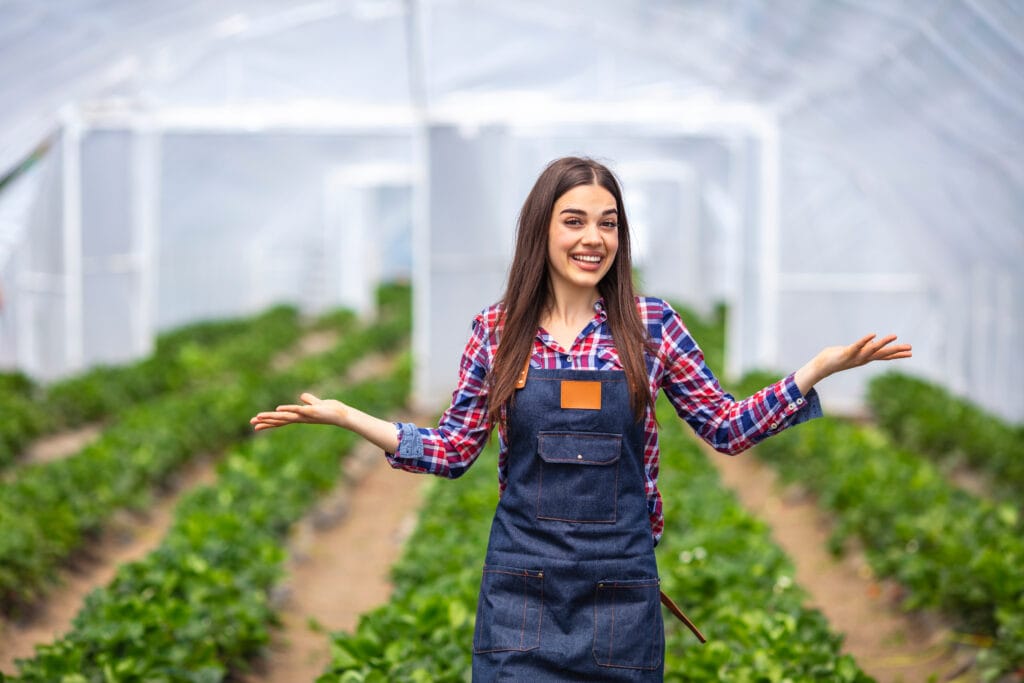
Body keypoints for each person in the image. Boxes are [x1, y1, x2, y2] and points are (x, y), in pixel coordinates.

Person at [250, 156, 911, 681]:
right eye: (575, 220)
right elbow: (452, 450)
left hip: (618, 592)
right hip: (521, 594)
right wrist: (347, 417)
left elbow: (726, 427)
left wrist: (812, 372)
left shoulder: (652, 326)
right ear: (542, 228)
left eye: (609, 222)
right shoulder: (498, 328)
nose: (594, 237)